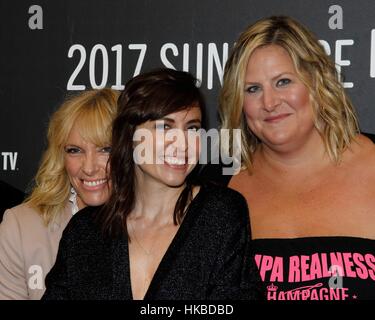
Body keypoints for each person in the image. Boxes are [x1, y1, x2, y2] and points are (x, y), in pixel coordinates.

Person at [42, 68, 262, 300]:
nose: (183, 144)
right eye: (164, 127)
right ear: (129, 136)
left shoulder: (221, 214)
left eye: (192, 128)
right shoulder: (85, 231)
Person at [218, 16, 375, 300]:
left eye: (283, 82)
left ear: (316, 82)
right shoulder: (220, 190)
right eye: (253, 89)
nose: (269, 103)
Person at [0, 88, 119, 299]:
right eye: (75, 150)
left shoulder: (160, 229)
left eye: (105, 149)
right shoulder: (21, 227)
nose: (89, 168)